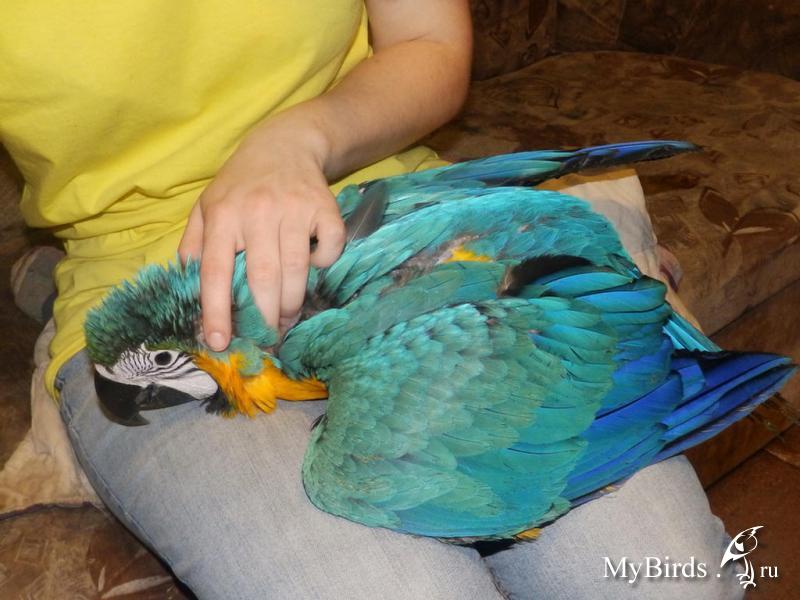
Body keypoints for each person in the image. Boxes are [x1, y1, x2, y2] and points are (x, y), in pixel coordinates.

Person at [2, 1, 743, 598]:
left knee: (669, 582)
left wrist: (300, 139)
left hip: (385, 202)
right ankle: (51, 287)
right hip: (141, 270)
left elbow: (430, 41)